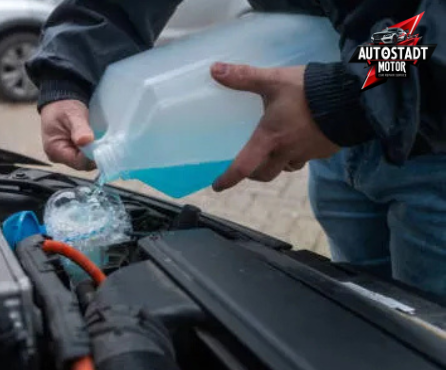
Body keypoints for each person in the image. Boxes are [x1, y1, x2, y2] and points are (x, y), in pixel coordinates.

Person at [24, 0, 446, 296]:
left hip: (434, 141)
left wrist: (347, 92)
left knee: (426, 334)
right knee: (370, 316)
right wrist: (69, 73)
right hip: (335, 140)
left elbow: (429, 28)